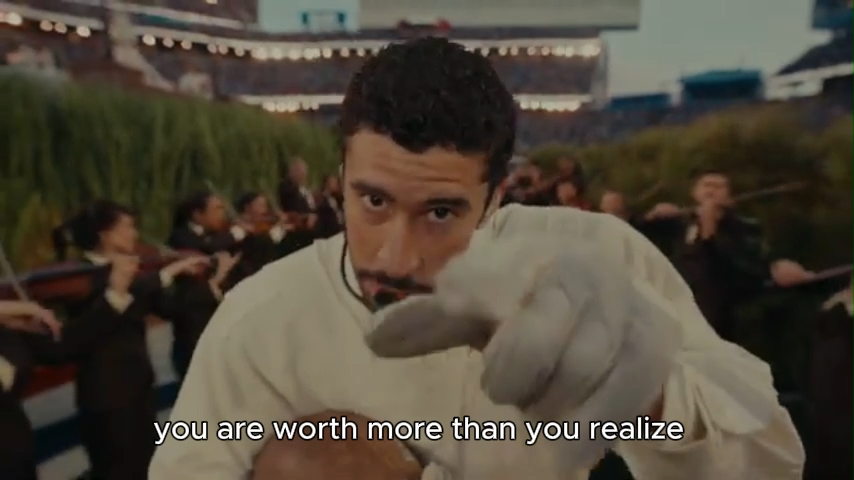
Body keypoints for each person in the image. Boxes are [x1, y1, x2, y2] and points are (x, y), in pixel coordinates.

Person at [149, 37, 804, 479]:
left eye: (440, 212)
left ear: (495, 197)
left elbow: (773, 462)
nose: (397, 258)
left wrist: (654, 398)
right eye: (372, 200)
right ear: (340, 178)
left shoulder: (597, 259)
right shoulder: (259, 321)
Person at [55, 200, 209, 480]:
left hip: (140, 384)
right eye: (127, 227)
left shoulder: (136, 270)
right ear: (105, 235)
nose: (135, 234)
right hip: (106, 394)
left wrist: (203, 282)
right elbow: (108, 304)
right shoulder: (79, 277)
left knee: (147, 466)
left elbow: (169, 309)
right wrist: (166, 274)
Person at [641, 170, 812, 341]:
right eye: (706, 185)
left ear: (730, 197)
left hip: (719, 320)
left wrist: (709, 233)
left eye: (718, 187)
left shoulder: (745, 229)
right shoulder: (680, 224)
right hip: (677, 316)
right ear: (694, 192)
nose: (711, 191)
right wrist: (652, 217)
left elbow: (741, 269)